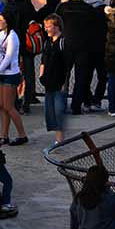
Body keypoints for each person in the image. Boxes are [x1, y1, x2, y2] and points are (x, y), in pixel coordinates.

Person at [57, 0, 104, 114]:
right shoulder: (89, 10)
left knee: (63, 76)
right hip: (84, 48)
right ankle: (76, 106)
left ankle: (60, 104)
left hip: (65, 46)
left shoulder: (62, 7)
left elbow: (55, 23)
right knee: (81, 78)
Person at [0, 10, 28, 143]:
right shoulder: (0, 34)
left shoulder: (13, 36)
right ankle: (3, 135)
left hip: (10, 74)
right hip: (1, 74)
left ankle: (22, 135)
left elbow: (9, 57)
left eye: (1, 19)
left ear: (7, 21)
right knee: (2, 105)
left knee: (10, 106)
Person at [39, 14, 70, 145]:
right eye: (45, 26)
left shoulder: (63, 42)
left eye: (48, 26)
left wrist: (65, 83)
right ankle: (57, 136)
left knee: (58, 110)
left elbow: (67, 64)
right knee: (50, 111)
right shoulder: (47, 42)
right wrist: (41, 75)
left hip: (59, 81)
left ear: (57, 26)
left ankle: (59, 139)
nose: (46, 29)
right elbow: (43, 60)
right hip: (48, 81)